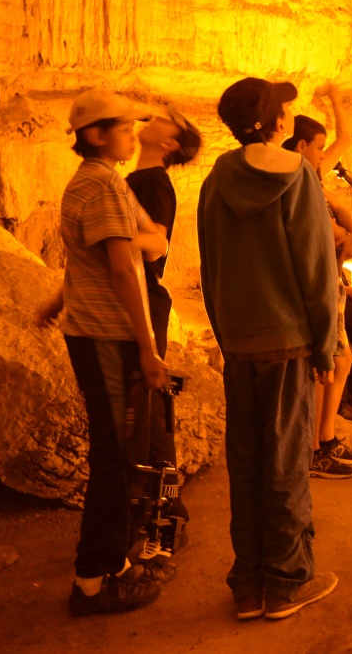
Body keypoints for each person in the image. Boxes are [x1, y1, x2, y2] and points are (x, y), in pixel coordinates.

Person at [200, 77, 340, 620]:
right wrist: (325, 349)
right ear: (278, 123)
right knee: (286, 463)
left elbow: (211, 265)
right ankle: (286, 582)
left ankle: (249, 583)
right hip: (288, 344)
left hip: (240, 343)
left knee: (248, 460)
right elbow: (316, 268)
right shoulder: (299, 176)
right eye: (285, 107)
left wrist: (227, 333)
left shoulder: (217, 178)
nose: (290, 112)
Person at [36, 89, 171, 615]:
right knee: (114, 459)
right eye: (123, 127)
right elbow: (120, 268)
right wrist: (147, 347)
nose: (132, 133)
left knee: (117, 455)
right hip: (109, 340)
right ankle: (92, 581)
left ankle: (110, 563)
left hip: (94, 334)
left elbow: (117, 252)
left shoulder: (98, 183)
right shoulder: (103, 188)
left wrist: (57, 300)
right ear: (95, 135)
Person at [125, 104, 202, 540]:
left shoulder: (152, 183)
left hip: (143, 298)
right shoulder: (142, 180)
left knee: (149, 409)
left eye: (165, 119)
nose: (152, 117)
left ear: (169, 143)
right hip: (138, 298)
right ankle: (157, 510)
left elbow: (154, 246)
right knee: (144, 407)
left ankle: (164, 513)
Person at [284, 101, 352, 478]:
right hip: (317, 284)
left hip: (330, 282)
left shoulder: (310, 175)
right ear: (301, 146)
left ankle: (325, 437)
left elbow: (345, 242)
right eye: (319, 147)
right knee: (328, 365)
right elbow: (344, 240)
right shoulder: (302, 181)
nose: (324, 155)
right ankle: (316, 447)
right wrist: (346, 218)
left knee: (342, 358)